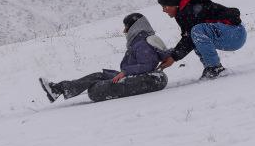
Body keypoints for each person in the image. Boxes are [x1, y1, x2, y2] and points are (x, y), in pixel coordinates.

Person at [39, 13, 171, 102]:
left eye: (126, 27)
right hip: (133, 76)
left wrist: (125, 72)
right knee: (98, 76)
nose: (124, 31)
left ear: (134, 27)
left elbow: (146, 65)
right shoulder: (139, 42)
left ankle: (59, 89)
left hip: (143, 78)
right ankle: (58, 89)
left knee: (96, 88)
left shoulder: (142, 43)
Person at [156, 0, 245, 79]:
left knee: (196, 32)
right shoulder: (184, 10)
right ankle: (210, 67)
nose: (164, 10)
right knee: (195, 36)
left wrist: (173, 57)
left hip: (235, 33)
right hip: (232, 33)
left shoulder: (190, 10)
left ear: (175, 5)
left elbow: (189, 39)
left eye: (165, 6)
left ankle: (215, 68)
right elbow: (188, 38)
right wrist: (173, 56)